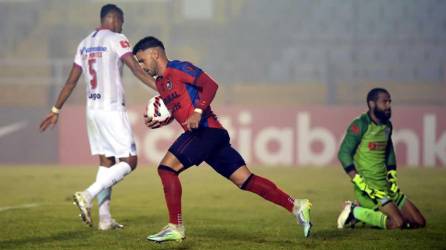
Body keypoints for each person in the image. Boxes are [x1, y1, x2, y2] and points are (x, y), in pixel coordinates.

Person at [132, 36, 312, 242]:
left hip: (206, 131)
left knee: (166, 169)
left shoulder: (179, 68)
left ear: (154, 54)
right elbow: (180, 109)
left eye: (142, 60)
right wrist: (162, 121)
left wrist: (199, 111)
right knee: (245, 180)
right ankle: (297, 205)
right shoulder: (162, 83)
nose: (142, 66)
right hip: (210, 135)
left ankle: (175, 226)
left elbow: (210, 85)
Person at [39, 4, 157, 230]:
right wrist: (161, 89)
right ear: (114, 19)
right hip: (111, 109)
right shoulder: (117, 38)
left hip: (92, 110)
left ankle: (104, 219)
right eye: (122, 20)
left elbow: (71, 81)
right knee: (130, 161)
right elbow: (135, 67)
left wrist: (56, 110)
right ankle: (87, 194)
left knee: (107, 162)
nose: (123, 25)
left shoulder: (84, 44)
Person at [337, 88, 426, 230]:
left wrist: (392, 175)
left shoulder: (387, 126)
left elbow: (389, 151)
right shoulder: (360, 124)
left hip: (386, 185)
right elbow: (343, 153)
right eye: (384, 102)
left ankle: (361, 211)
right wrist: (357, 179)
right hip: (369, 187)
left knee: (420, 222)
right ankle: (354, 211)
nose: (389, 105)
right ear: (372, 104)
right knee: (398, 223)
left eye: (390, 101)